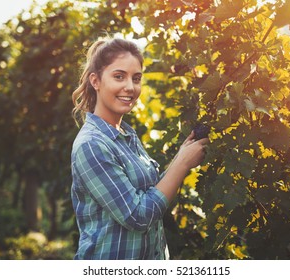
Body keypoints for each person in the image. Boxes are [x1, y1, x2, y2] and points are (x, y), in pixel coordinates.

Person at [70, 37, 209, 260]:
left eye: (136, 79)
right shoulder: (92, 145)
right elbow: (137, 216)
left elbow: (150, 194)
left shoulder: (126, 135)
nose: (130, 87)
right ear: (95, 81)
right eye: (119, 76)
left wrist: (183, 155)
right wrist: (182, 165)